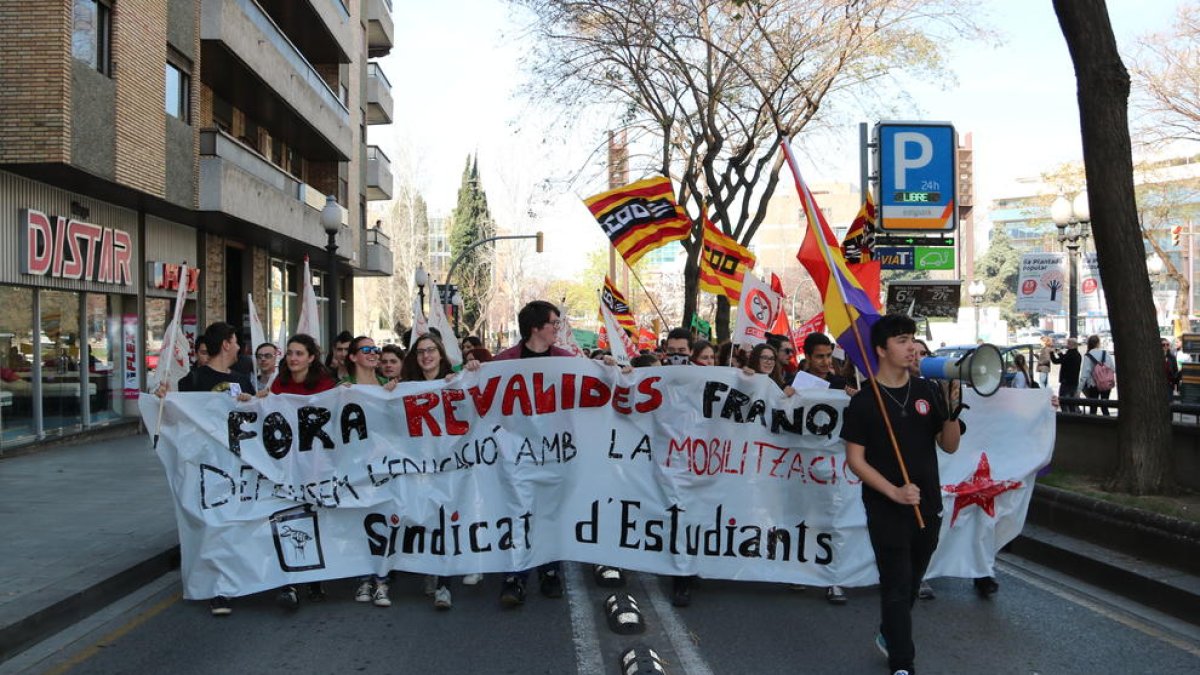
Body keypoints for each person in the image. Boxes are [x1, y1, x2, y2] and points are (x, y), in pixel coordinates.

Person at [842, 314, 962, 675]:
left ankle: (889, 633)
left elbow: (950, 445)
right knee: (895, 583)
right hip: (886, 508)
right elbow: (855, 461)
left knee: (910, 582)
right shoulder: (865, 401)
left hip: (928, 506)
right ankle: (902, 662)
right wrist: (893, 491)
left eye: (912, 339)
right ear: (881, 349)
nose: (911, 347)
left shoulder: (927, 390)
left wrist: (952, 412)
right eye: (901, 340)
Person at [156, 322, 254, 617]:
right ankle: (218, 589)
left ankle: (235, 578)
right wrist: (165, 399)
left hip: (238, 466)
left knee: (234, 525)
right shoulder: (193, 381)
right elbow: (177, 418)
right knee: (213, 526)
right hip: (206, 467)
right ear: (225, 343)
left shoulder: (243, 381)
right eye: (236, 341)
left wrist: (255, 402)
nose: (239, 347)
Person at [493, 300, 573, 607]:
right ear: (536, 328)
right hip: (517, 455)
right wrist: (471, 372)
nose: (557, 328)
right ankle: (515, 576)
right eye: (554, 323)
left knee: (550, 514)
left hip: (555, 454)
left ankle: (550, 571)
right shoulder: (504, 362)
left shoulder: (566, 360)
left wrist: (607, 369)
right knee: (518, 514)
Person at [261, 334, 336, 609]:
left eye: (299, 353)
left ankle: (316, 579)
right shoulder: (278, 384)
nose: (293, 358)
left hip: (317, 466)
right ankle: (288, 582)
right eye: (290, 353)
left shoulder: (327, 385)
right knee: (288, 520)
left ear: (311, 358)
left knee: (316, 520)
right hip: (287, 467)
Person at [400, 334, 461, 610]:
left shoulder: (456, 382)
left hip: (450, 465)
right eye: (421, 351)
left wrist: (469, 374)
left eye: (431, 350)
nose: (426, 356)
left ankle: (444, 584)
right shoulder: (405, 387)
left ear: (440, 354)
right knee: (423, 519)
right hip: (417, 465)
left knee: (446, 521)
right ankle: (429, 568)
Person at [342, 336, 397, 608]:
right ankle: (363, 578)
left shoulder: (390, 387)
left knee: (383, 522)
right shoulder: (342, 390)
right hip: (354, 468)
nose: (374, 354)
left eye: (375, 349)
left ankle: (382, 581)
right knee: (359, 523)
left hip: (386, 468)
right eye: (366, 349)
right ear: (352, 357)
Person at [1078, 335, 1115, 416]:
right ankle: (1107, 424)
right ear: (1098, 343)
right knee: (1104, 407)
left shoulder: (1088, 356)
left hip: (1093, 384)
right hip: (1106, 383)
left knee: (1093, 407)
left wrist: (1079, 390)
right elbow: (1112, 368)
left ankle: (1092, 425)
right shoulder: (1105, 353)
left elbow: (1084, 375)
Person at [1051, 338, 1082, 413]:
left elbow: (1056, 361)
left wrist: (1051, 353)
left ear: (1071, 345)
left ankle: (1066, 417)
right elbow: (1064, 359)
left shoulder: (1069, 355)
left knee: (1063, 401)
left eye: (1067, 343)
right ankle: (1073, 417)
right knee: (1072, 403)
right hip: (1074, 382)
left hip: (1066, 382)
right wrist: (1058, 351)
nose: (1066, 345)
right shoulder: (1078, 355)